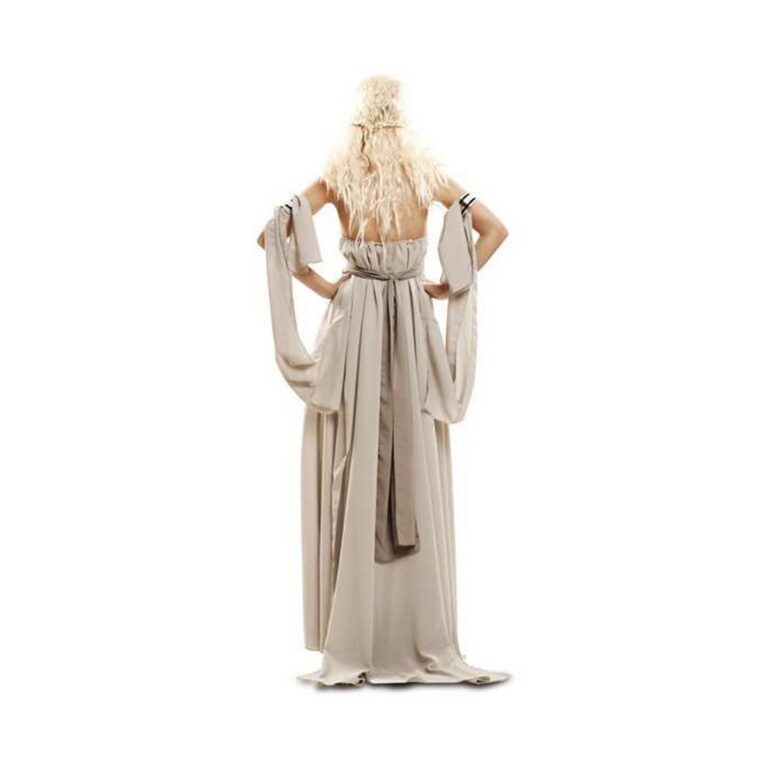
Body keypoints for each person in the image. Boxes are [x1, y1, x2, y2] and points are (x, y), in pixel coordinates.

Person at [257, 75, 510, 686]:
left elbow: (271, 235)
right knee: (414, 446)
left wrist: (330, 287)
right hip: (412, 320)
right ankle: (420, 632)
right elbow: (495, 230)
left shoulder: (337, 177)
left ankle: (357, 633)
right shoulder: (427, 176)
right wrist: (446, 287)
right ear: (402, 122)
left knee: (354, 450)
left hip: (356, 322)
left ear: (358, 124)